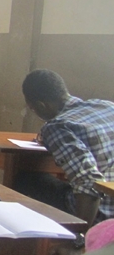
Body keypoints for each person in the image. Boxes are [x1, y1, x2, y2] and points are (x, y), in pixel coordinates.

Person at [19, 69, 114, 227]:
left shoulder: (57, 126)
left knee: (25, 179)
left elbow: (89, 182)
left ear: (41, 105)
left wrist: (79, 237)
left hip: (104, 213)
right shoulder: (106, 106)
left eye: (33, 109)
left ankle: (37, 239)